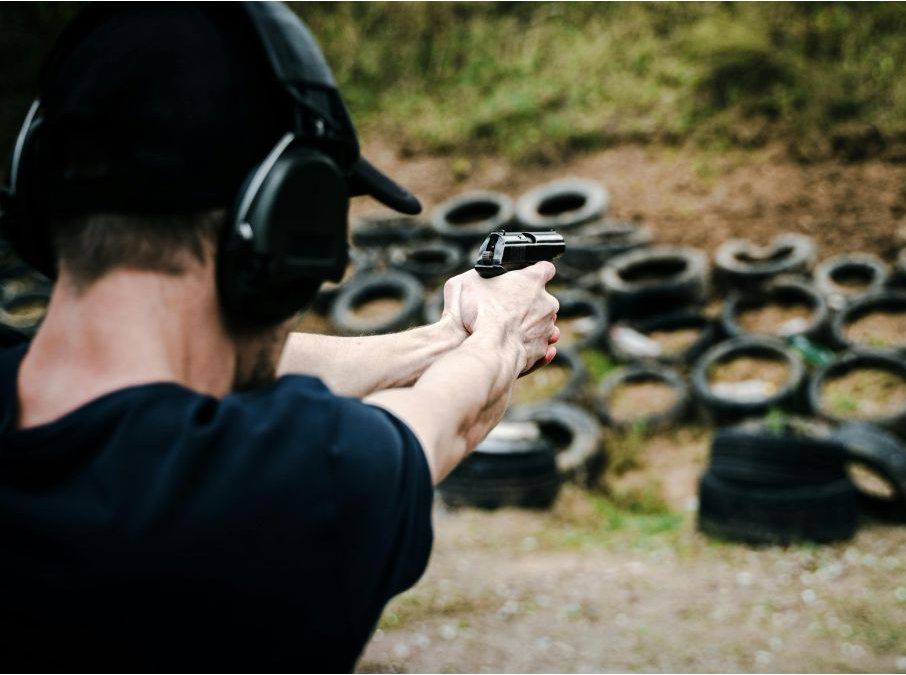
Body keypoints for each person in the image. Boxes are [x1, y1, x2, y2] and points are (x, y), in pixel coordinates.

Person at [0, 4, 558, 670]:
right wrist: (502, 331)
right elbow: (444, 423)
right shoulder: (281, 493)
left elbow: (184, 378)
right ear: (287, 225)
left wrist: (444, 338)